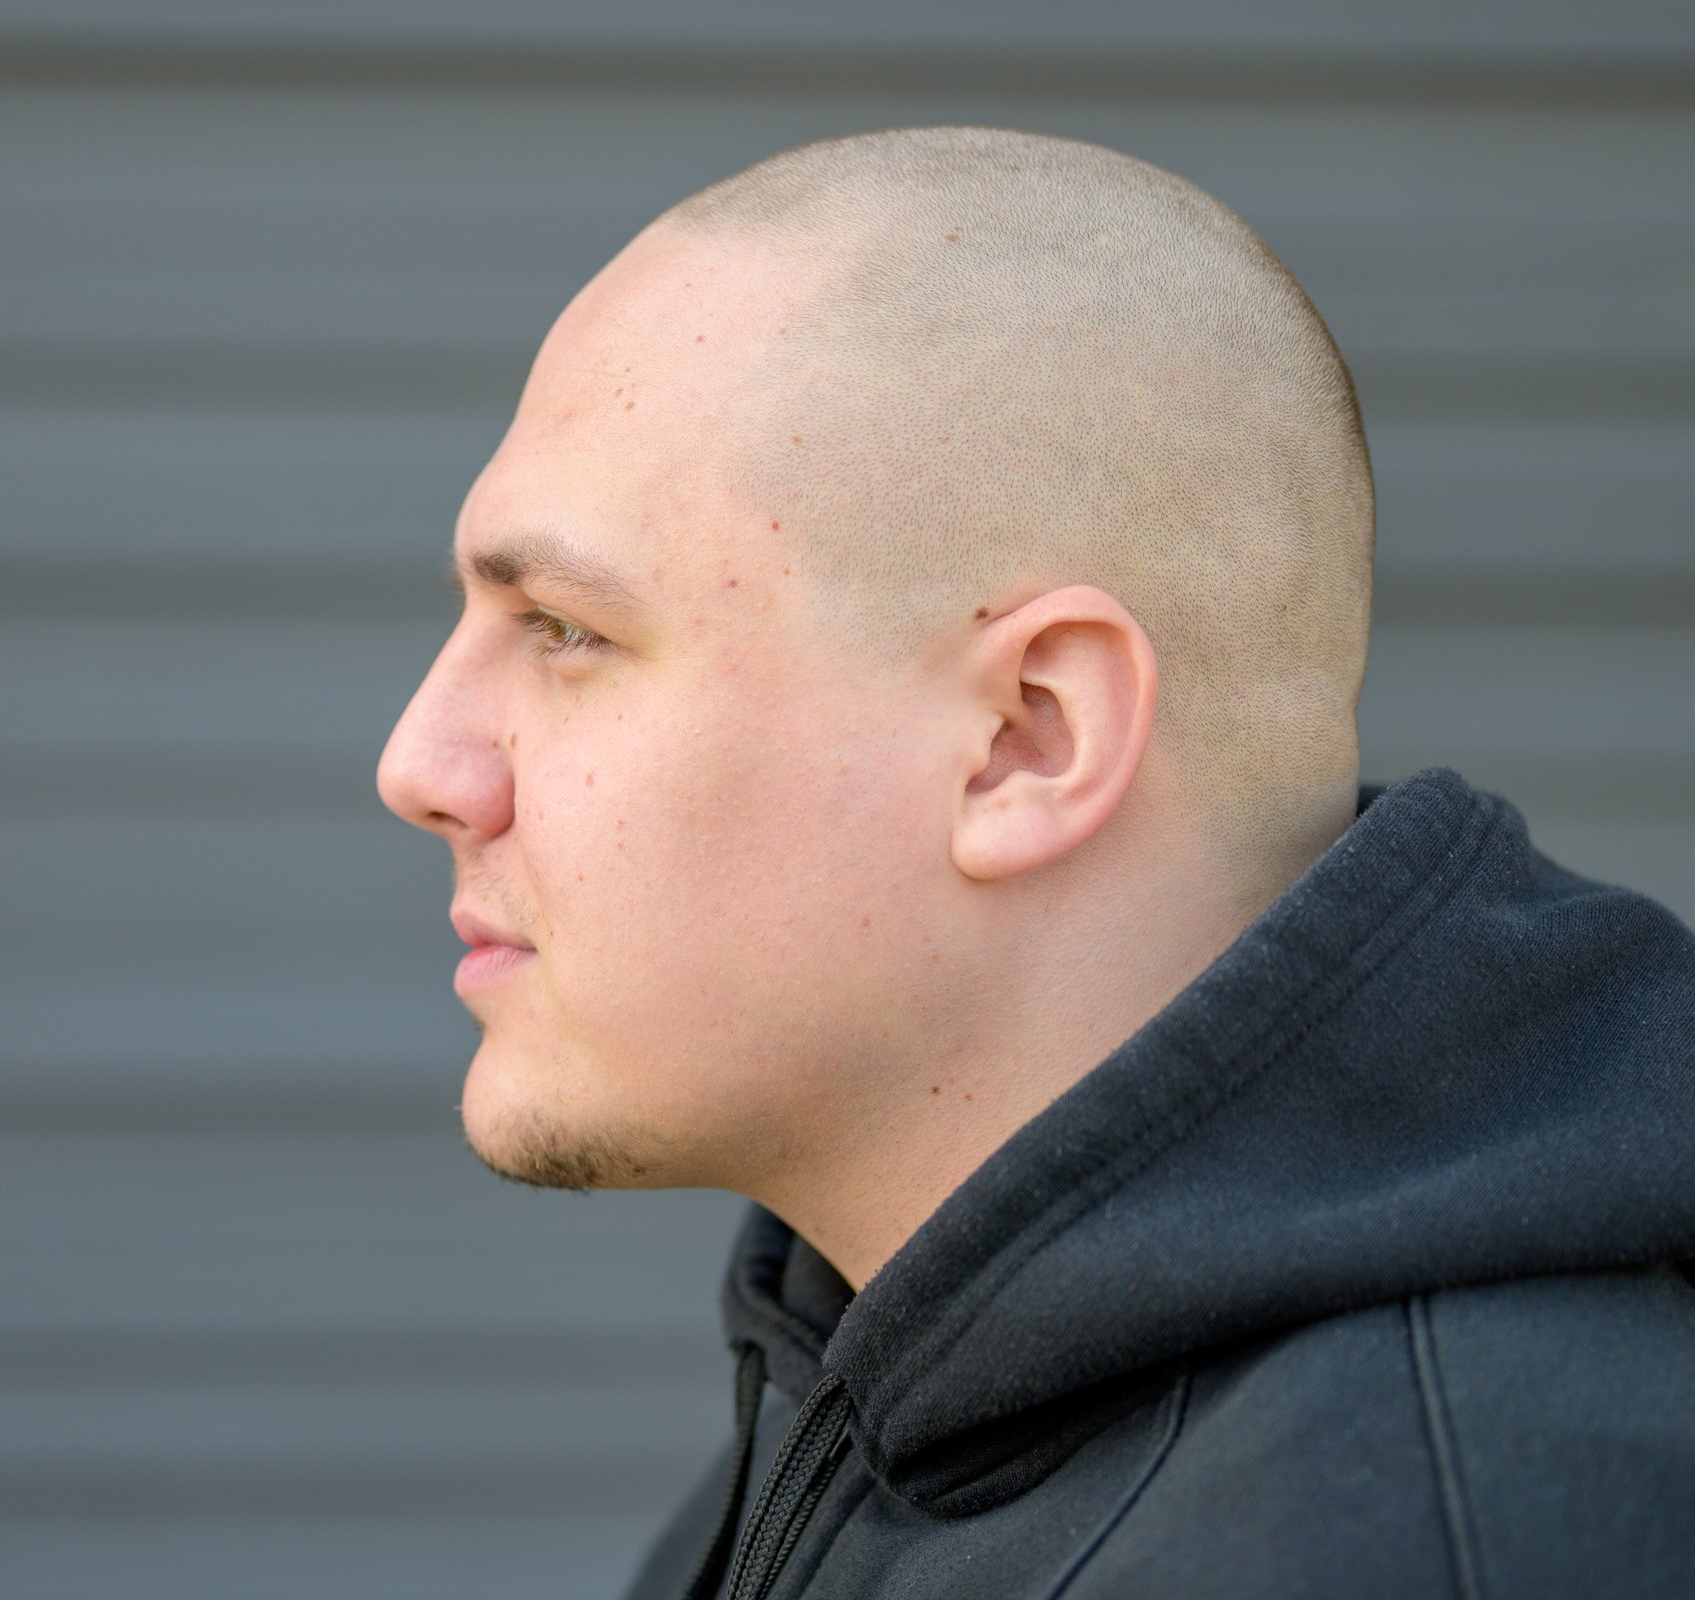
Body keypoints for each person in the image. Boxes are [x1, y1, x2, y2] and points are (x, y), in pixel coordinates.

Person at [374, 126, 1695, 1599]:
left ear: (1028, 737)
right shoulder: (876, 1383)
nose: (421, 765)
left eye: (565, 630)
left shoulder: (1425, 1539)